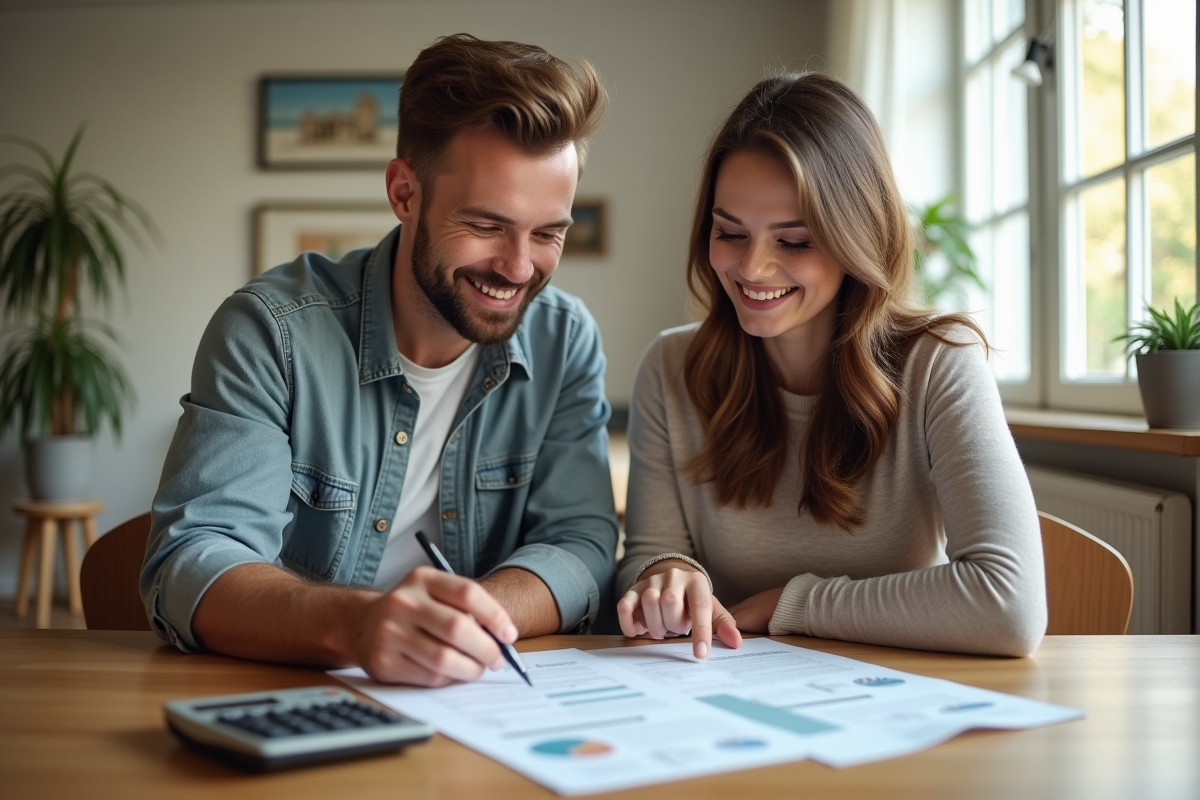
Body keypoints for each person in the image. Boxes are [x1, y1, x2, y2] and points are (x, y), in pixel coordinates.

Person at [141, 34, 618, 686]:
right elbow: (192, 561)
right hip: (294, 693)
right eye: (486, 226)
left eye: (547, 234)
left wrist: (468, 619)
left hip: (477, 700)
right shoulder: (270, 332)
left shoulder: (565, 339)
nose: (518, 267)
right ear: (404, 193)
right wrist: (360, 625)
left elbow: (581, 542)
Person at [615, 72, 1046, 660]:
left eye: (794, 241)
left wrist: (793, 605)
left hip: (896, 690)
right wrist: (664, 576)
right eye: (730, 233)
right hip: (725, 687)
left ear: (856, 237)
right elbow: (646, 557)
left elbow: (1009, 606)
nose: (752, 269)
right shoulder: (670, 367)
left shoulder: (939, 364)